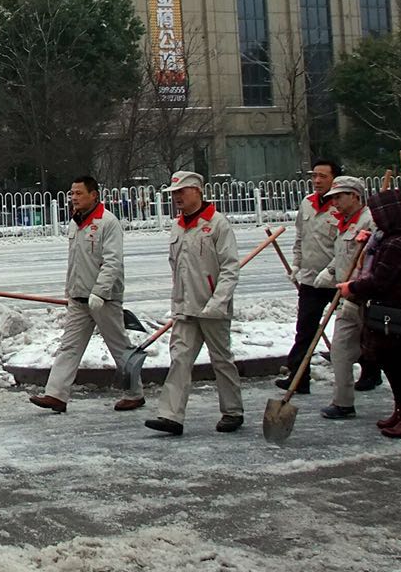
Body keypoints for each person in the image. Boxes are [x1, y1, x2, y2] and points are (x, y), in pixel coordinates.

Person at [29, 174, 144, 413]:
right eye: (72, 193)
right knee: (69, 347)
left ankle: (135, 394)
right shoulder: (75, 223)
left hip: (105, 300)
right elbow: (75, 263)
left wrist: (100, 293)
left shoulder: (108, 222)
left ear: (94, 195)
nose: (74, 198)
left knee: (120, 348)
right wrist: (70, 291)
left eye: (79, 193)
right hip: (79, 299)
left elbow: (112, 262)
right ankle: (56, 395)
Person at [146, 171, 243, 436]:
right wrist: (178, 301)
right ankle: (171, 416)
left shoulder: (217, 224)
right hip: (185, 307)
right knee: (179, 359)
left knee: (221, 359)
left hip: (213, 307)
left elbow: (230, 268)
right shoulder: (178, 226)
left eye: (182, 192)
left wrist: (218, 301)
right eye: (174, 193)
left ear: (197, 191)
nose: (177, 197)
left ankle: (232, 411)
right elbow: (176, 267)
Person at [341, 190, 401, 438]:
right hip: (387, 310)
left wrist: (352, 288)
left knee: (399, 367)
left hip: (395, 313)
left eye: (378, 213)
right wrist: (369, 243)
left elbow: (380, 280)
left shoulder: (397, 243)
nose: (375, 218)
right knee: (391, 364)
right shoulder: (387, 238)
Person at [277, 159, 340, 395]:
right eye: (314, 176)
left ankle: (369, 371)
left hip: (338, 279)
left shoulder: (341, 206)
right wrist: (297, 263)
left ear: (334, 179)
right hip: (311, 279)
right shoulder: (307, 203)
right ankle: (299, 378)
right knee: (305, 329)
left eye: (323, 176)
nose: (317, 180)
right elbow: (300, 238)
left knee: (354, 328)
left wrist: (331, 270)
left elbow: (347, 247)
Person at [314, 176, 374, 419]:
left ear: (355, 196)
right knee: (340, 350)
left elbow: (373, 260)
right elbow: (343, 256)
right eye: (333, 198)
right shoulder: (346, 223)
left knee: (383, 350)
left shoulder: (370, 221)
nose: (335, 202)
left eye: (339, 197)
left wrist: (357, 288)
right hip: (346, 297)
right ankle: (343, 402)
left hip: (366, 298)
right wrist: (330, 271)